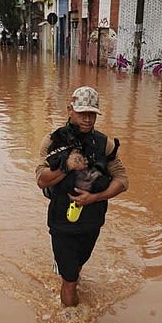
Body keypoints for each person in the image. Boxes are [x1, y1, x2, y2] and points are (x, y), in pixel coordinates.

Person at [35, 86, 129, 307]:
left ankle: (70, 274)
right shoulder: (52, 142)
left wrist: (95, 198)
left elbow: (123, 180)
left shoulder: (104, 144)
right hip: (61, 223)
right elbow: (41, 180)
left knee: (77, 268)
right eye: (82, 113)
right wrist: (65, 167)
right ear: (70, 110)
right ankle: (70, 321)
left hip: (92, 221)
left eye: (92, 114)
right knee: (69, 280)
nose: (87, 119)